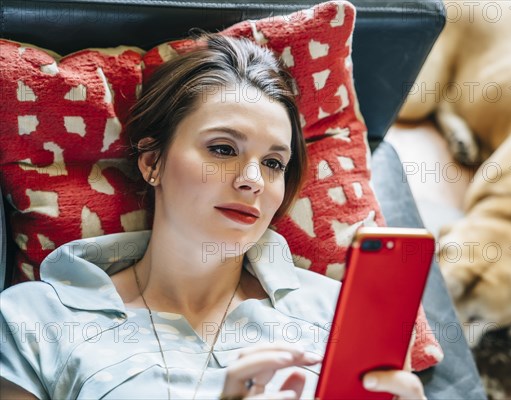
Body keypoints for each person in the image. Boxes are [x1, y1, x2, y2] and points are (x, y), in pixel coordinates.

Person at [0, 33, 426, 400]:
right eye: (222, 150)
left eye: (274, 163)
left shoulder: (339, 316)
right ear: (152, 162)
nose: (253, 180)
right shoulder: (36, 319)